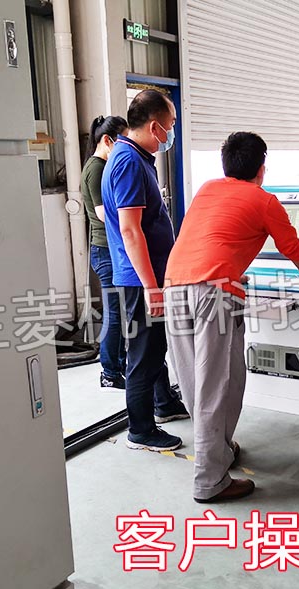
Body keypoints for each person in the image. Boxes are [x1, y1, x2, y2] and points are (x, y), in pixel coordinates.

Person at [164, 132, 299, 503]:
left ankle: (218, 452)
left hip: (174, 285)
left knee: (195, 382)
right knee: (217, 383)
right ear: (261, 168)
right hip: (212, 293)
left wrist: (229, 272)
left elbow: (209, 240)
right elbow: (294, 249)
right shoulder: (264, 200)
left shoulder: (207, 190)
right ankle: (209, 481)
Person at [101, 89, 189, 452]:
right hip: (140, 280)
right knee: (143, 354)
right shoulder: (127, 162)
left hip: (146, 275)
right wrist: (151, 286)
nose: (171, 133)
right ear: (155, 127)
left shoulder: (135, 158)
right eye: (170, 125)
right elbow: (129, 230)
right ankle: (140, 431)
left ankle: (163, 404)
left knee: (154, 349)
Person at [81, 115, 129, 391]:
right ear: (107, 141)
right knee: (114, 313)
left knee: (119, 311)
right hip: (104, 250)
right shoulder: (97, 168)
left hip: (109, 249)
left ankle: (118, 366)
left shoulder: (102, 165)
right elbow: (102, 213)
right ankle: (109, 372)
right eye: (122, 140)